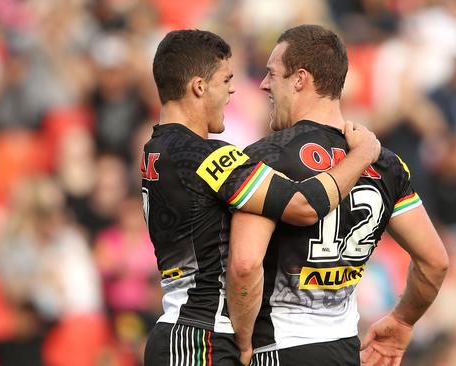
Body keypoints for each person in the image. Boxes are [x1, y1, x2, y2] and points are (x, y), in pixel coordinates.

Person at [142, 29, 381, 366]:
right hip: (199, 338)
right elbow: (302, 205)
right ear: (198, 87)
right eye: (226, 79)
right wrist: (361, 156)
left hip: (185, 331)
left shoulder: (157, 148)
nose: (233, 90)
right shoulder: (204, 156)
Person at [226, 25, 449, 366]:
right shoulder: (385, 164)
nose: (264, 84)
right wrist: (403, 320)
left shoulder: (265, 158)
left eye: (273, 74)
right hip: (346, 352)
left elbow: (245, 265)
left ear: (300, 79)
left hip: (276, 348)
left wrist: (240, 342)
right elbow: (435, 262)